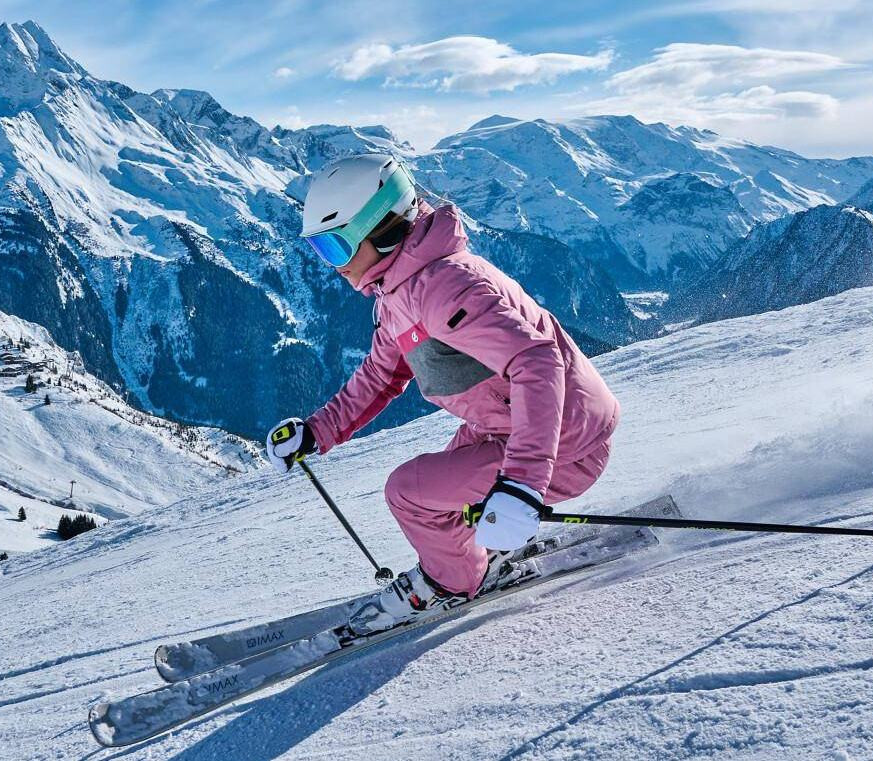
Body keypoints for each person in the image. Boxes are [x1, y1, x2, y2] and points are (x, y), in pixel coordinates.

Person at [264, 154, 620, 633]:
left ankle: (451, 584)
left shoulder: (444, 289)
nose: (334, 267)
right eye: (322, 252)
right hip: (512, 430)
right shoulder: (400, 289)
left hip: (563, 446)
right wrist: (316, 433)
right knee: (443, 497)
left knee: (409, 493)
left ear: (384, 230)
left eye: (336, 248)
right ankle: (476, 559)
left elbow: (536, 361)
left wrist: (524, 484)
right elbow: (381, 375)